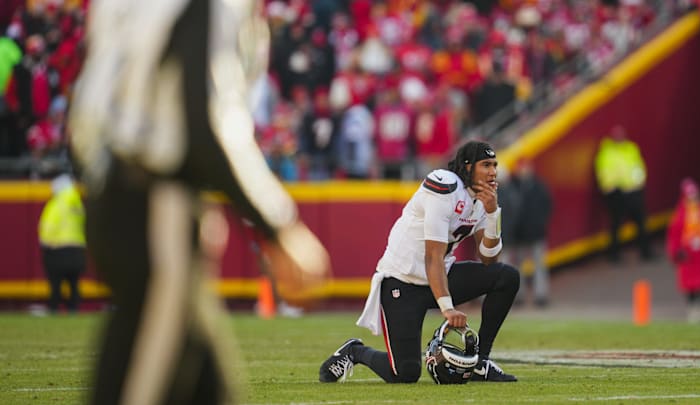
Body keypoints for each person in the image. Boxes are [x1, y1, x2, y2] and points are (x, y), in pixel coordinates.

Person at [69, 1, 329, 404]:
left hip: (121, 193)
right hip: (154, 206)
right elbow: (208, 121)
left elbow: (89, 105)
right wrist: (278, 225)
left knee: (209, 388)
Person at [319, 141, 520, 384]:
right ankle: (356, 351)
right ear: (468, 167)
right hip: (403, 281)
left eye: (494, 165)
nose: (493, 171)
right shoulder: (444, 186)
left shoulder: (481, 200)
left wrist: (492, 213)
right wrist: (447, 308)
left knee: (506, 276)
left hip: (438, 276)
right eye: (486, 165)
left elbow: (489, 257)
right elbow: (432, 255)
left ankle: (481, 361)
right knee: (405, 373)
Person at [593, 125, 652, 262]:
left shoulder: (631, 148)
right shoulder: (606, 152)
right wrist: (610, 188)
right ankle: (614, 255)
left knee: (641, 224)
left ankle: (646, 252)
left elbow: (638, 166)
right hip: (617, 193)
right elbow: (604, 172)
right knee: (616, 226)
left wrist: (640, 183)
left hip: (634, 190)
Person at [666, 178, 700, 323]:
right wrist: (676, 252)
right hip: (689, 256)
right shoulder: (680, 216)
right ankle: (693, 309)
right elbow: (674, 236)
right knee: (690, 283)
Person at [502, 157, 553, 307]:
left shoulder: (538, 186)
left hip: (536, 232)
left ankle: (541, 295)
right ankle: (519, 295)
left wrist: (540, 223)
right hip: (519, 233)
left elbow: (547, 206)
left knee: (539, 265)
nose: (524, 171)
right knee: (518, 267)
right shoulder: (513, 186)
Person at [38, 173, 86, 313]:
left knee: (56, 284)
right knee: (74, 284)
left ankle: (53, 310)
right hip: (77, 250)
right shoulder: (78, 202)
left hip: (57, 250)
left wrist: (45, 242)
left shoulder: (57, 203)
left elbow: (47, 225)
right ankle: (73, 310)